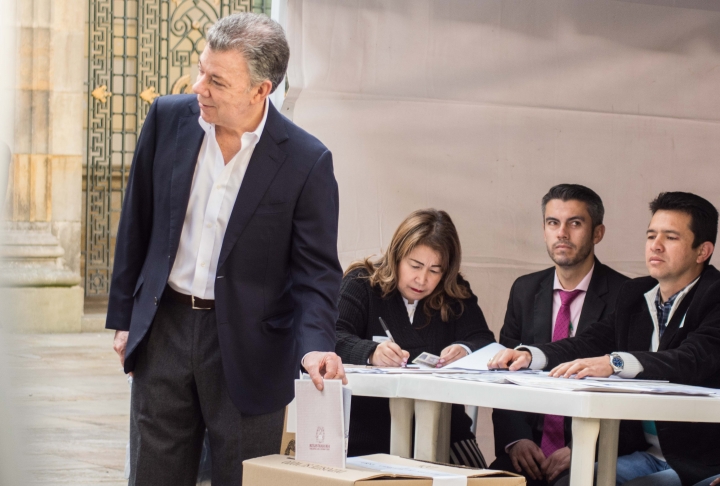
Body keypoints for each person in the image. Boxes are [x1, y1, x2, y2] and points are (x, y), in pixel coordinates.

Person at [105, 13, 346, 486]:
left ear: (262, 90)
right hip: (165, 331)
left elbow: (316, 272)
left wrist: (316, 346)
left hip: (252, 347)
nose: (199, 87)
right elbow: (137, 221)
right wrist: (124, 319)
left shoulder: (306, 160)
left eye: (216, 80)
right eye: (201, 70)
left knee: (242, 478)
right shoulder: (168, 119)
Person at [489, 192, 720, 486]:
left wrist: (615, 362)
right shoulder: (636, 294)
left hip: (701, 461)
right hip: (644, 452)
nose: (656, 246)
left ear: (702, 251)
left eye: (671, 238)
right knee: (569, 482)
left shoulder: (715, 296)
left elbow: (692, 358)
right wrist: (532, 356)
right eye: (651, 236)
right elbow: (589, 342)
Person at [491, 184, 642, 486]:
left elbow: (636, 392)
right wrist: (516, 440)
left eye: (575, 223)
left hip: (594, 447)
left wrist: (585, 448)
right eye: (552, 223)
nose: (562, 233)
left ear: (597, 233)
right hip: (528, 448)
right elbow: (502, 378)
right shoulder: (524, 290)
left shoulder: (628, 296)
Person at [335, 209, 496, 468]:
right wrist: (371, 352)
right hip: (366, 430)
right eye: (415, 266)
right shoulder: (362, 282)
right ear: (396, 256)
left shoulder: (455, 293)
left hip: (446, 431)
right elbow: (332, 336)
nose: (422, 280)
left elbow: (484, 341)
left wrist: (465, 348)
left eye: (435, 270)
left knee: (478, 477)